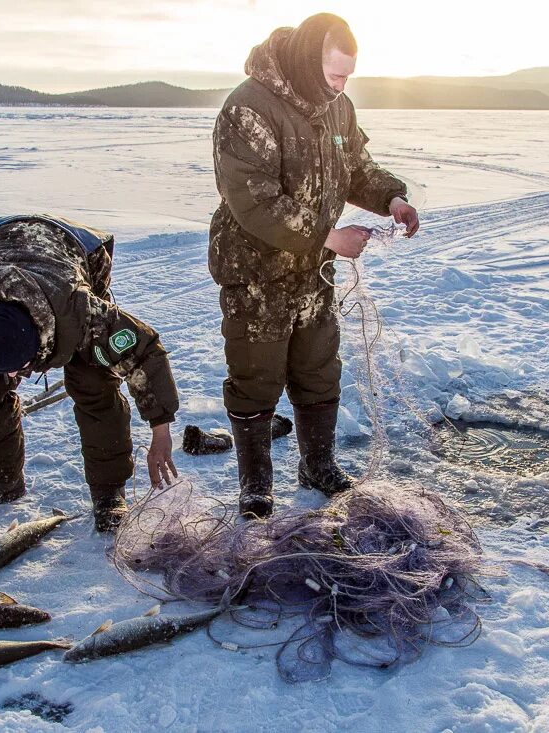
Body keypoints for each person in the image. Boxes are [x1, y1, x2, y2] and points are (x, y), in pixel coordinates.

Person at [209, 13, 420, 519]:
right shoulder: (248, 108)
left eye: (348, 76)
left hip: (313, 272)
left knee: (318, 370)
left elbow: (356, 167)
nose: (343, 86)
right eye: (335, 75)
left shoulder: (336, 108)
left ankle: (317, 466)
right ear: (308, 61)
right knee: (256, 376)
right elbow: (254, 201)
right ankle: (256, 486)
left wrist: (390, 198)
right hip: (256, 271)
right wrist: (330, 237)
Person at [0, 214, 180, 531]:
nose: (23, 377)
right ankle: (0, 482)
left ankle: (108, 494)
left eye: (24, 367)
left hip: (78, 250)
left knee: (93, 382)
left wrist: (160, 432)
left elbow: (143, 352)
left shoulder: (81, 311)